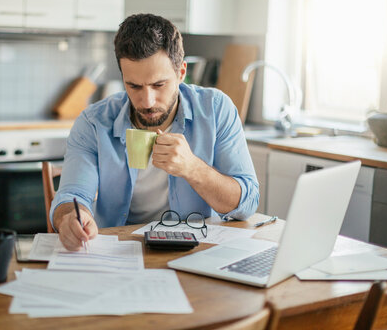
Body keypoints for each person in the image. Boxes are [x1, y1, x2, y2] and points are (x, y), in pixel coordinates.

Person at [50, 13, 259, 251]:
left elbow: (247, 203)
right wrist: (71, 219)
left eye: (159, 85)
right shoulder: (93, 123)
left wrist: (193, 167)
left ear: (181, 73)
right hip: (120, 251)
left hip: (195, 251)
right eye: (134, 86)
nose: (147, 101)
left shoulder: (216, 109)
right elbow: (71, 196)